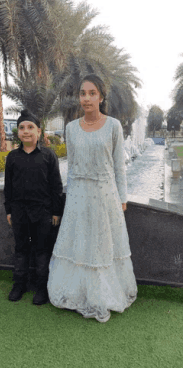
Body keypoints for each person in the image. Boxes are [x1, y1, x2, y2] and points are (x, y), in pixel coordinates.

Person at [47, 73, 138, 322]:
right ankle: (78, 293)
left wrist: (123, 198)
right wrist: (70, 198)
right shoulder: (71, 128)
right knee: (80, 243)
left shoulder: (114, 126)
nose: (86, 98)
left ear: (101, 96)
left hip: (106, 196)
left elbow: (119, 167)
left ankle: (103, 295)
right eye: (82, 93)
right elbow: (73, 167)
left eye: (92, 93)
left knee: (102, 246)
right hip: (78, 197)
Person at [4, 109, 63, 305]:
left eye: (31, 127)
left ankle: (41, 288)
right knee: (21, 249)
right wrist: (9, 210)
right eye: (22, 128)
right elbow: (8, 187)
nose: (26, 131)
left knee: (41, 250)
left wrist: (56, 211)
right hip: (19, 212)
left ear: (39, 132)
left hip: (43, 212)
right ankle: (19, 285)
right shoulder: (12, 157)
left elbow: (56, 186)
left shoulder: (48, 156)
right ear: (17, 132)